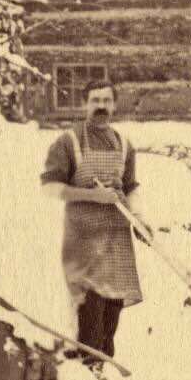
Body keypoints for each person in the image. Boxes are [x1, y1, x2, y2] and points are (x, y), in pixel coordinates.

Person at [41, 81, 142, 356]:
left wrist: (140, 219)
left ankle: (105, 370)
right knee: (90, 311)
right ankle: (88, 368)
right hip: (83, 241)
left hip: (117, 240)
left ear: (114, 104)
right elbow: (50, 188)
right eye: (95, 100)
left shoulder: (123, 144)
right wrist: (93, 196)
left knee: (112, 315)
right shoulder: (68, 142)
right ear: (85, 103)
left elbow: (130, 187)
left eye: (106, 100)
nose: (101, 106)